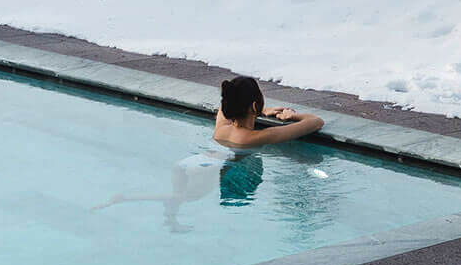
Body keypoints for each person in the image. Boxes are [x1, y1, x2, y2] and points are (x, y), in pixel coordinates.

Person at [95, 76, 324, 229]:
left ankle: (167, 219)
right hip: (218, 168)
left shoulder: (222, 128)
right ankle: (124, 200)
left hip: (192, 162)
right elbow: (315, 122)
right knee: (188, 197)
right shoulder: (256, 137)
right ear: (254, 106)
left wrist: (262, 110)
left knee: (181, 196)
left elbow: (225, 110)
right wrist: (290, 116)